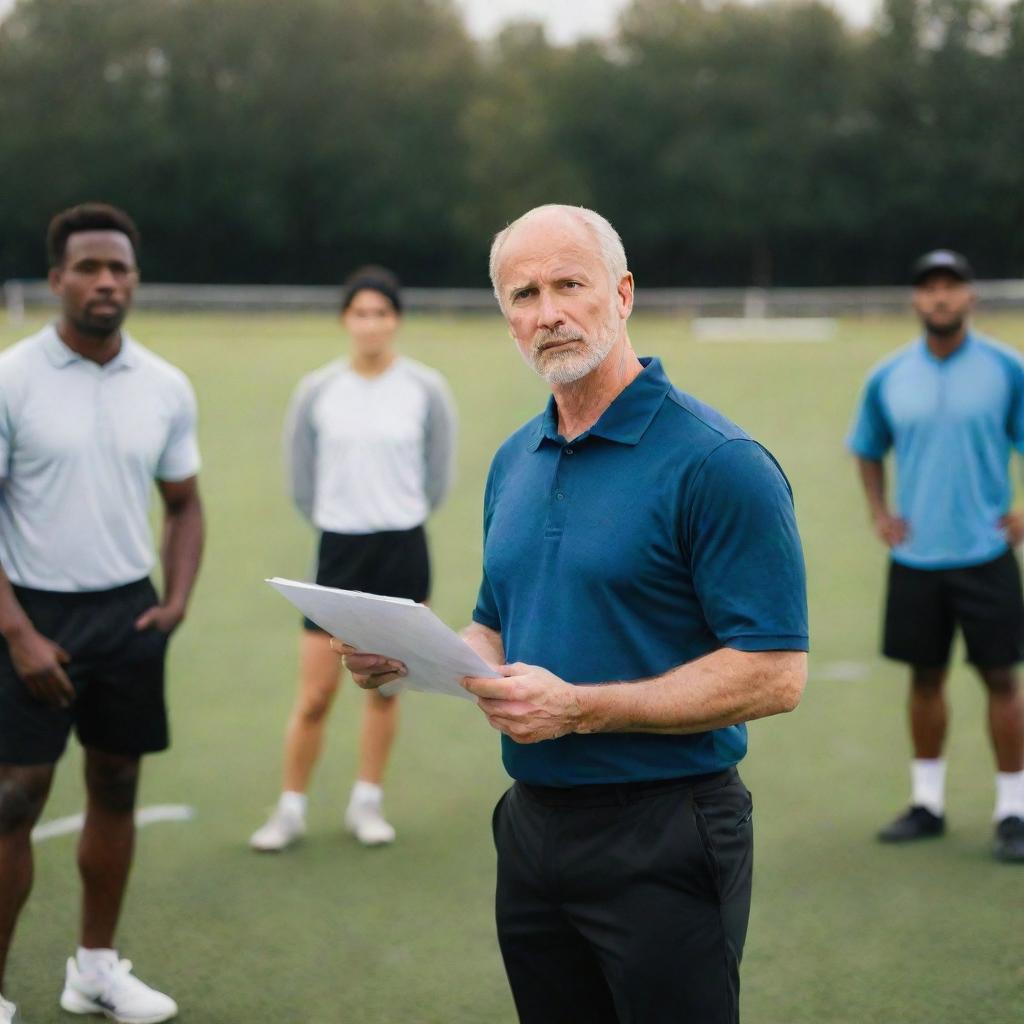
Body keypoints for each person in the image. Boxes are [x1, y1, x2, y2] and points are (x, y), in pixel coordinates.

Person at [340, 205, 808, 1024]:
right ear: (506, 318)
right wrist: (410, 658)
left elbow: (774, 674)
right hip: (530, 830)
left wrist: (582, 709)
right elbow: (493, 623)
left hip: (667, 828)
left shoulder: (721, 464)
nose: (547, 312)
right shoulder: (512, 460)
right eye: (523, 294)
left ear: (622, 294)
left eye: (569, 285)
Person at [0, 203, 203, 1024]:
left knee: (116, 784)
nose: (106, 281)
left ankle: (92, 971)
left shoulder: (164, 385)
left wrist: (177, 598)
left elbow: (184, 504)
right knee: (15, 795)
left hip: (127, 611)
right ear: (57, 280)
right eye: (88, 267)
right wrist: (16, 632)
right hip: (30, 611)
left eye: (119, 268)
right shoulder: (12, 377)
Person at [249, 266, 457, 853]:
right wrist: (340, 516)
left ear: (396, 320)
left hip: (403, 548)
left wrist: (397, 509)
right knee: (315, 694)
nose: (371, 324)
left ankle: (368, 802)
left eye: (382, 313)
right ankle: (289, 809)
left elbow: (437, 474)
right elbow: (301, 477)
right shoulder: (318, 390)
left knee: (386, 688)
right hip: (338, 550)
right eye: (360, 313)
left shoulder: (426, 388)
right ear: (346, 319)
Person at [848, 249, 1024, 862]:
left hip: (986, 552)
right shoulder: (889, 376)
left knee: (1002, 677)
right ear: (916, 301)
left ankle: (1013, 810)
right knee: (925, 678)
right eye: (930, 288)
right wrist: (879, 512)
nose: (941, 297)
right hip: (918, 557)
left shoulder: (1007, 369)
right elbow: (867, 446)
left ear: (971, 296)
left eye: (952, 286)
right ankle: (927, 802)